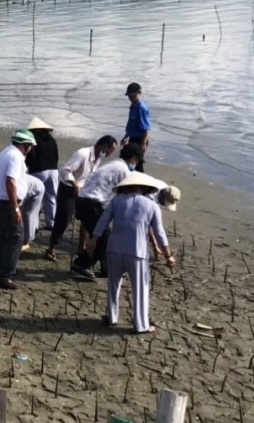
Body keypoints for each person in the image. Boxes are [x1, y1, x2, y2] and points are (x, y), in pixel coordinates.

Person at [86, 172, 175, 334]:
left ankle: (111, 317)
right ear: (146, 188)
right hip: (137, 252)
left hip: (114, 250)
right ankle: (141, 325)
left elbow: (102, 222)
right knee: (140, 289)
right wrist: (168, 255)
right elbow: (159, 233)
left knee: (113, 286)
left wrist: (93, 239)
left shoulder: (116, 201)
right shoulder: (151, 206)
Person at [71, 143, 142, 280]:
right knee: (105, 238)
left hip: (85, 200)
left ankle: (106, 269)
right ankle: (81, 264)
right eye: (137, 161)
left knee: (104, 236)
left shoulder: (114, 164)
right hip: (91, 203)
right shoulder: (123, 171)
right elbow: (126, 196)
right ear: (133, 159)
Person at [45, 135, 118, 262]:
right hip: (68, 188)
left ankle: (81, 247)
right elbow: (65, 170)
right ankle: (51, 247)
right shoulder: (82, 154)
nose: (109, 154)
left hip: (83, 191)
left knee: (86, 218)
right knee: (63, 219)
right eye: (110, 150)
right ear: (104, 146)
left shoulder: (97, 160)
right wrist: (74, 184)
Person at [0, 129, 45, 290]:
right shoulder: (15, 157)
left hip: (1, 200)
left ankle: (2, 270)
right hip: (8, 203)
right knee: (15, 238)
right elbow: (10, 182)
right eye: (30, 146)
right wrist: (15, 208)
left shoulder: (6, 152)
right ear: (26, 145)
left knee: (6, 237)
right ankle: (5, 275)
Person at [24, 117, 59, 231]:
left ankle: (35, 225)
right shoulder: (51, 139)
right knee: (51, 197)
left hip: (38, 170)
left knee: (35, 198)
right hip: (53, 171)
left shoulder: (33, 139)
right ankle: (51, 224)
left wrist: (26, 166)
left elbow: (31, 156)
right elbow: (56, 156)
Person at [121, 82, 151, 172]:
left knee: (137, 163)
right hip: (132, 138)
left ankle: (140, 182)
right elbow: (132, 124)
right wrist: (126, 136)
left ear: (138, 93)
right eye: (129, 95)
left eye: (132, 95)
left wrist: (143, 143)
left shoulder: (141, 108)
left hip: (139, 139)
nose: (130, 97)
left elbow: (145, 128)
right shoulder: (133, 106)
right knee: (129, 161)